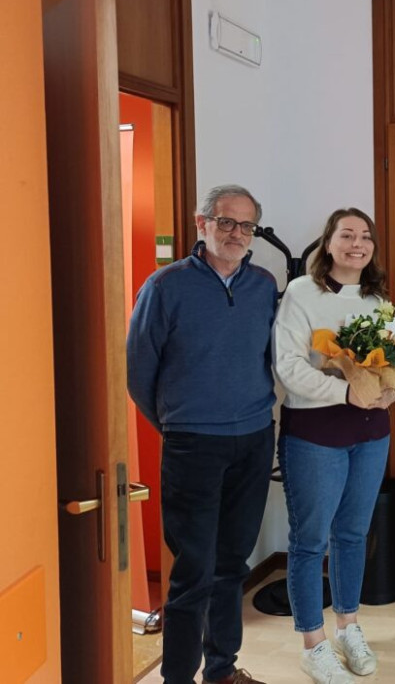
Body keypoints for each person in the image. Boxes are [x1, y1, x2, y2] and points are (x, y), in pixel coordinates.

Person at [127, 185, 276, 684]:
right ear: (202, 223)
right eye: (227, 222)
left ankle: (221, 670)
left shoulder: (262, 285)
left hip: (254, 438)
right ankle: (176, 678)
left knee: (232, 564)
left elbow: (267, 361)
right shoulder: (165, 287)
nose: (237, 234)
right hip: (193, 445)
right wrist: (181, 423)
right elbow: (138, 374)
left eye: (247, 226)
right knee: (193, 571)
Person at [272, 209, 395, 683]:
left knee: (352, 534)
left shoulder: (376, 297)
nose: (357, 244)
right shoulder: (303, 294)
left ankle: (348, 625)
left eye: (365, 236)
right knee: (308, 542)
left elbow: (388, 358)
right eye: (346, 235)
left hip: (370, 433)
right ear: (327, 244)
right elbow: (289, 368)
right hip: (316, 434)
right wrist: (344, 390)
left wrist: (392, 386)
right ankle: (313, 643)